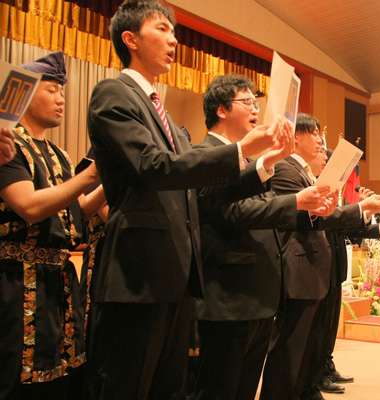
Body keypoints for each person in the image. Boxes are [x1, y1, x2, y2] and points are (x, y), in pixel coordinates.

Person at [86, 2, 285, 398]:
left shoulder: (172, 125)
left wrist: (261, 162)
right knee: (129, 386)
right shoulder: (113, 93)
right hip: (138, 274)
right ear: (130, 39)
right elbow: (152, 167)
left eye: (174, 31)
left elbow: (200, 193)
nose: (174, 39)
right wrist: (241, 150)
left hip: (177, 277)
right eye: (162, 29)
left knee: (170, 388)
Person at [189, 74, 333, 400]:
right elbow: (234, 212)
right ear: (222, 109)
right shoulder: (204, 153)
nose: (256, 109)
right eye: (247, 102)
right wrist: (295, 200)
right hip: (228, 296)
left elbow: (267, 214)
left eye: (257, 102)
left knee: (244, 389)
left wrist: (308, 210)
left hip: (259, 296)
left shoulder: (253, 163)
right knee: (218, 390)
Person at [260, 114, 380, 400]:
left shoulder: (304, 172)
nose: (321, 141)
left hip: (313, 269)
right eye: (314, 134)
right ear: (296, 136)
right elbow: (317, 217)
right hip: (298, 271)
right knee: (288, 351)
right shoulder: (285, 169)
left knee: (305, 349)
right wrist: (363, 208)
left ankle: (303, 391)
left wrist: (365, 210)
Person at [0, 51, 105, 399]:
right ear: (26, 93)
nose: (61, 99)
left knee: (63, 377)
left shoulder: (59, 154)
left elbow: (78, 213)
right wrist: (89, 175)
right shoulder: (8, 144)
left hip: (57, 281)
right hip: (18, 281)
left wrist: (110, 177)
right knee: (18, 378)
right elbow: (29, 207)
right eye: (51, 90)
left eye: (63, 91)